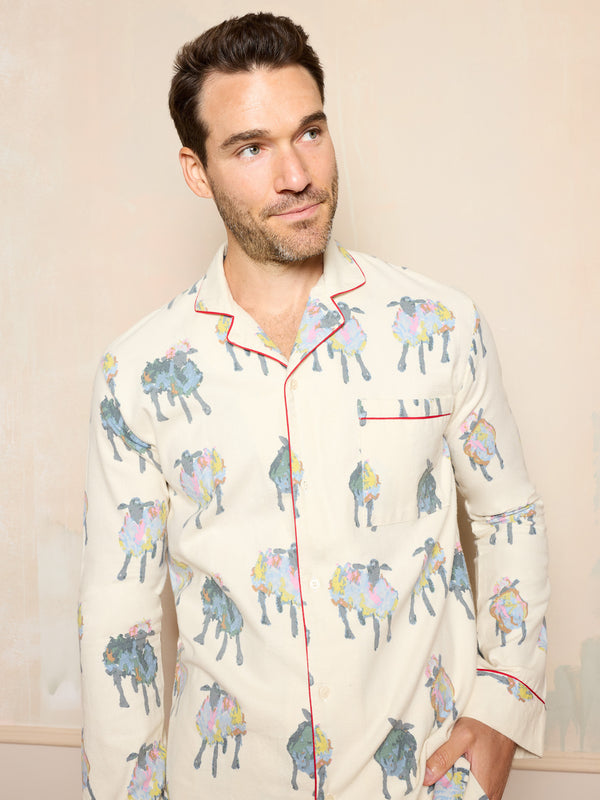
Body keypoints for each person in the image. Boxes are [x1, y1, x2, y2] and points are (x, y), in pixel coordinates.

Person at [79, 12, 549, 800]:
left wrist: (502, 711)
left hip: (422, 782)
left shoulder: (440, 326)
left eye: (311, 133)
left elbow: (511, 515)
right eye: (251, 147)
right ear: (197, 170)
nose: (296, 174)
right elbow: (117, 617)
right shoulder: (136, 374)